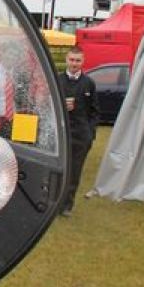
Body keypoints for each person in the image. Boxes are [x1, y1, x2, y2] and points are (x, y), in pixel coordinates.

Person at [57, 47, 99, 215]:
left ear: (83, 62)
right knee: (59, 169)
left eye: (78, 60)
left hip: (81, 135)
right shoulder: (57, 80)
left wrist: (90, 134)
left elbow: (95, 111)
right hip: (61, 134)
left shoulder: (89, 83)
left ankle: (67, 206)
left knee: (75, 171)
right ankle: (53, 204)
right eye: (72, 60)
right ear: (67, 60)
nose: (74, 63)